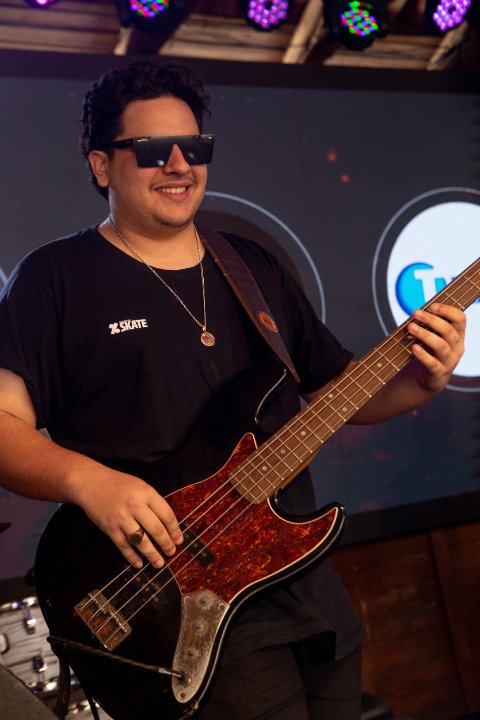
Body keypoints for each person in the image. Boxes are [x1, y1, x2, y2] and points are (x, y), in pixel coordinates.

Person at [0, 59, 465, 720]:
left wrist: (421, 381)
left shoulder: (251, 265)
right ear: (102, 165)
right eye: (153, 149)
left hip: (303, 588)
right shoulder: (54, 279)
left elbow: (335, 396)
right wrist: (89, 482)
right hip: (169, 604)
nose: (179, 165)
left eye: (194, 147)